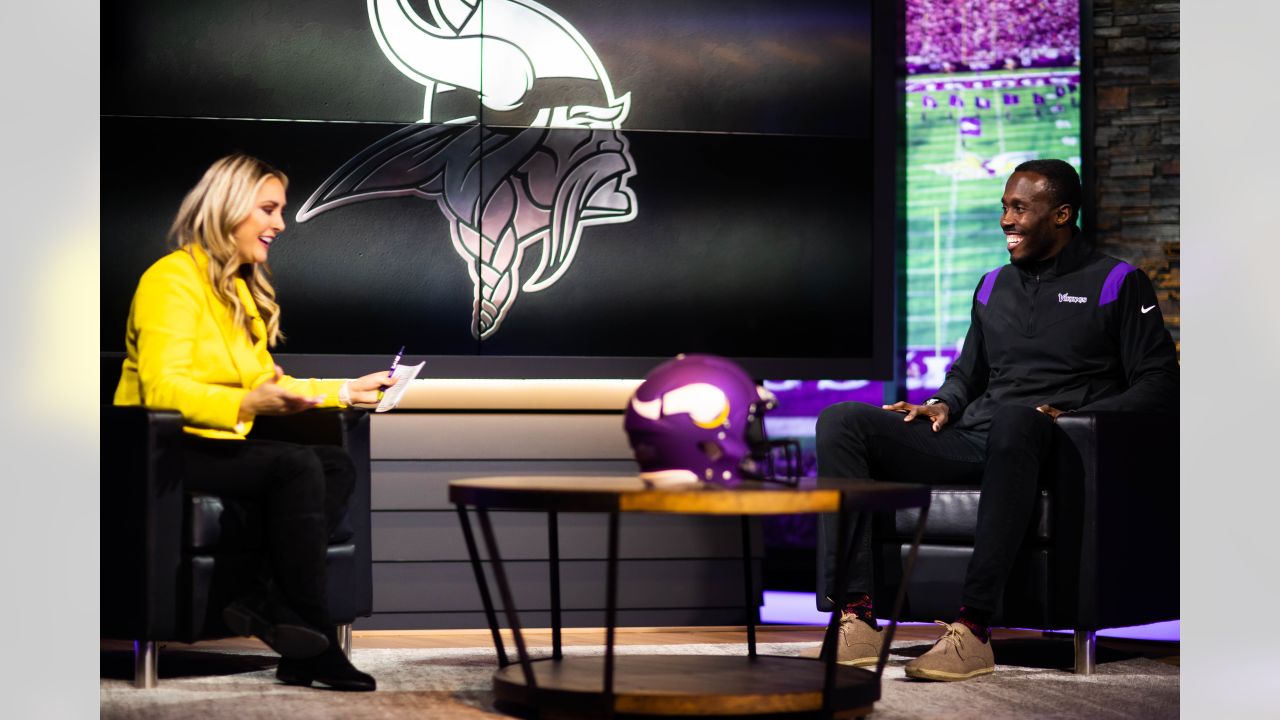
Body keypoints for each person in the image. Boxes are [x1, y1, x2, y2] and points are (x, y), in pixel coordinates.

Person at [812, 159, 1178, 681]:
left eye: (1018, 208)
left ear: (1062, 215)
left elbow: (1160, 385)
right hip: (979, 436)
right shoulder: (991, 286)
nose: (1005, 219)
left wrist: (1076, 414)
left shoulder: (1118, 283)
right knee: (843, 420)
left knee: (1014, 419)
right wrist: (941, 404)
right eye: (1004, 207)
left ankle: (973, 628)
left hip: (1055, 444)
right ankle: (857, 615)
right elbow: (968, 375)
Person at [113, 153, 394, 691]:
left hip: (215, 440)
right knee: (294, 467)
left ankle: (277, 611)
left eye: (280, 210)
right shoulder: (170, 281)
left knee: (332, 465)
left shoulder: (239, 290)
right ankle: (312, 642)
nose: (280, 224)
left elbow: (267, 382)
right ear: (228, 208)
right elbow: (162, 388)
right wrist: (244, 406)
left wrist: (345, 390)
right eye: (268, 209)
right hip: (158, 448)